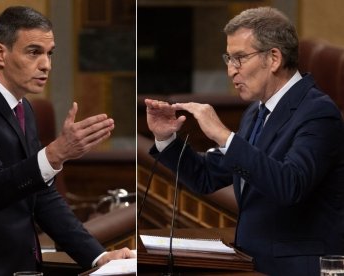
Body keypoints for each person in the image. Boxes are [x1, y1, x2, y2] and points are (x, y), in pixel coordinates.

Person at [0, 6, 134, 276]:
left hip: (22, 267)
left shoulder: (23, 108)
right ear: (0, 53)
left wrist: (97, 256)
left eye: (49, 54)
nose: (46, 64)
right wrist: (54, 155)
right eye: (34, 52)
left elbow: (40, 196)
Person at [145, 6, 344, 276]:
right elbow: (207, 176)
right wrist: (165, 137)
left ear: (273, 58)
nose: (230, 71)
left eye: (239, 58)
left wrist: (223, 135)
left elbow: (290, 185)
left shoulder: (318, 113)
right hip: (253, 265)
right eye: (228, 58)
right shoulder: (256, 111)